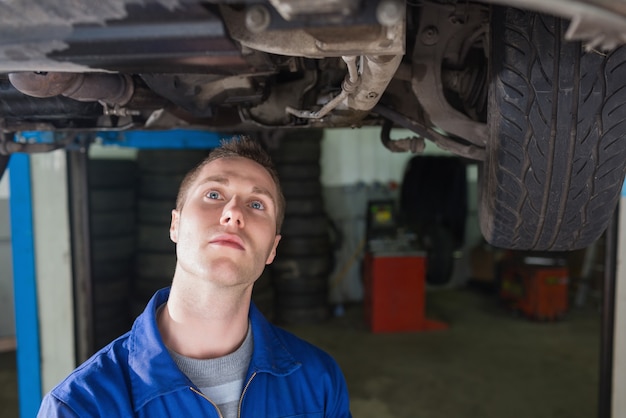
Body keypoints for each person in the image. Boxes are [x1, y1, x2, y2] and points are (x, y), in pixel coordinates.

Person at [38, 136, 352, 417]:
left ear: (272, 249)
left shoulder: (320, 382)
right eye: (214, 194)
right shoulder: (81, 406)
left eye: (257, 204)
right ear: (175, 225)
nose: (233, 212)